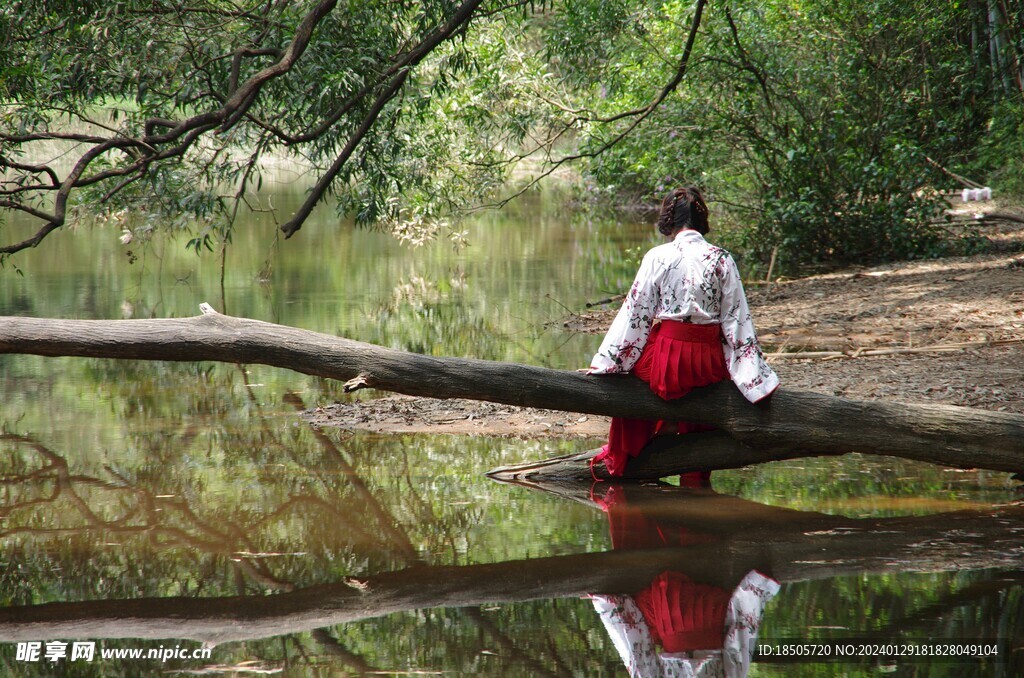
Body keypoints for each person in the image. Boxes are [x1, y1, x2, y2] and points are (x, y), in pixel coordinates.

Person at [588, 187, 778, 478]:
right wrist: (752, 378)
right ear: (701, 219)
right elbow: (736, 321)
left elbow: (636, 315)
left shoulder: (658, 256)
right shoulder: (722, 258)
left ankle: (628, 453)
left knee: (629, 381)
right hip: (707, 365)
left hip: (667, 363)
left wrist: (609, 364)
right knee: (706, 388)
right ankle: (693, 466)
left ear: (669, 220)